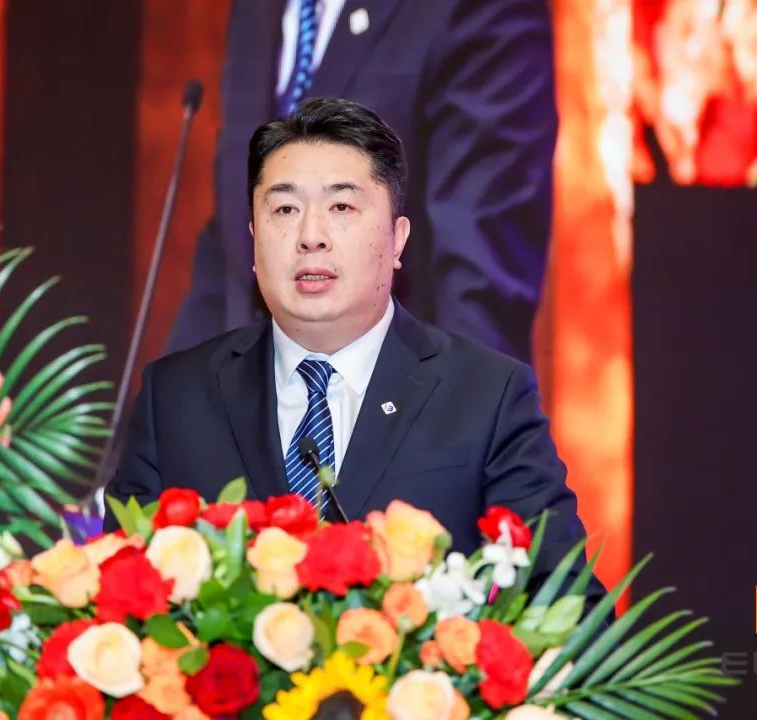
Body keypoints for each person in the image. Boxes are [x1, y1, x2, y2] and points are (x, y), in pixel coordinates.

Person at [108, 98, 603, 607]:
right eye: (285, 210)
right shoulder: (176, 398)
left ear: (397, 239)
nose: (310, 237)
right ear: (253, 240)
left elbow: (570, 608)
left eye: (341, 207)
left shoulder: (486, 397)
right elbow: (118, 600)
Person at [167, 0, 557, 363]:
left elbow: (478, 294)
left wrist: (457, 414)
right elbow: (231, 254)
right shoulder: (257, 9)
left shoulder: (477, 9)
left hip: (401, 402)